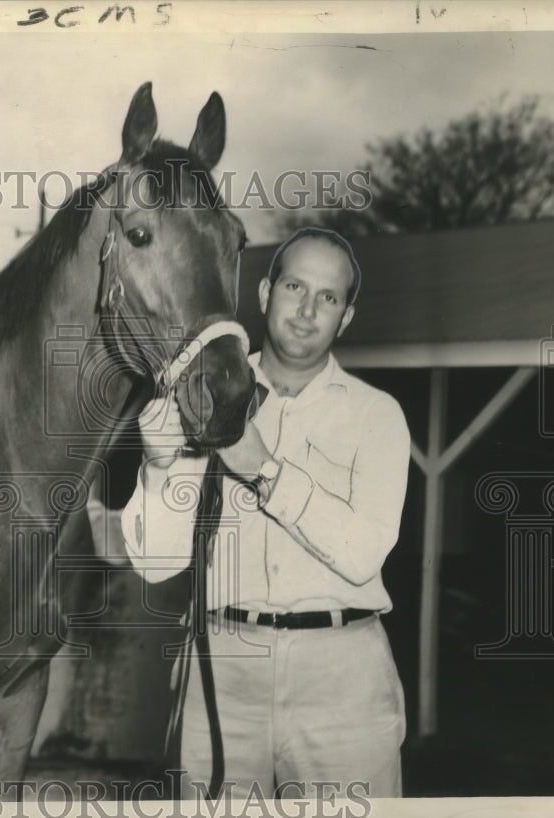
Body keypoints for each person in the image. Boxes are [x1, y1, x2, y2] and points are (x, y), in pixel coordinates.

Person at [121, 227, 410, 800]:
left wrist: (264, 470)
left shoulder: (378, 416)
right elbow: (156, 564)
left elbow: (361, 555)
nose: (306, 311)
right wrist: (158, 468)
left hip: (342, 673)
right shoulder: (201, 397)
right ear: (262, 294)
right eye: (294, 286)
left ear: (345, 319)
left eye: (328, 298)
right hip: (221, 664)